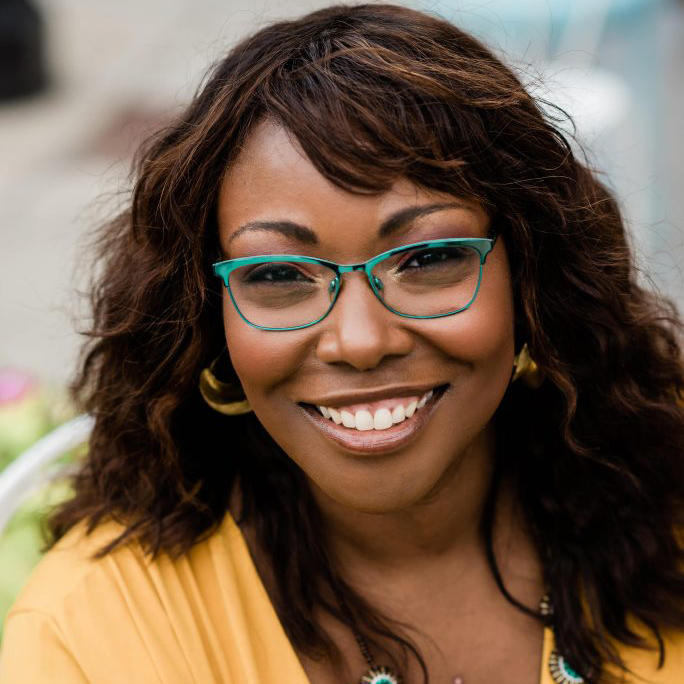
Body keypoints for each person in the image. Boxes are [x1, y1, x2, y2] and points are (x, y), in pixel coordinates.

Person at [1, 4, 683, 683]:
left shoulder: (665, 505)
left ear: (533, 278)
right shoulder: (98, 636)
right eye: (277, 275)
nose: (360, 342)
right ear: (205, 320)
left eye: (426, 260)